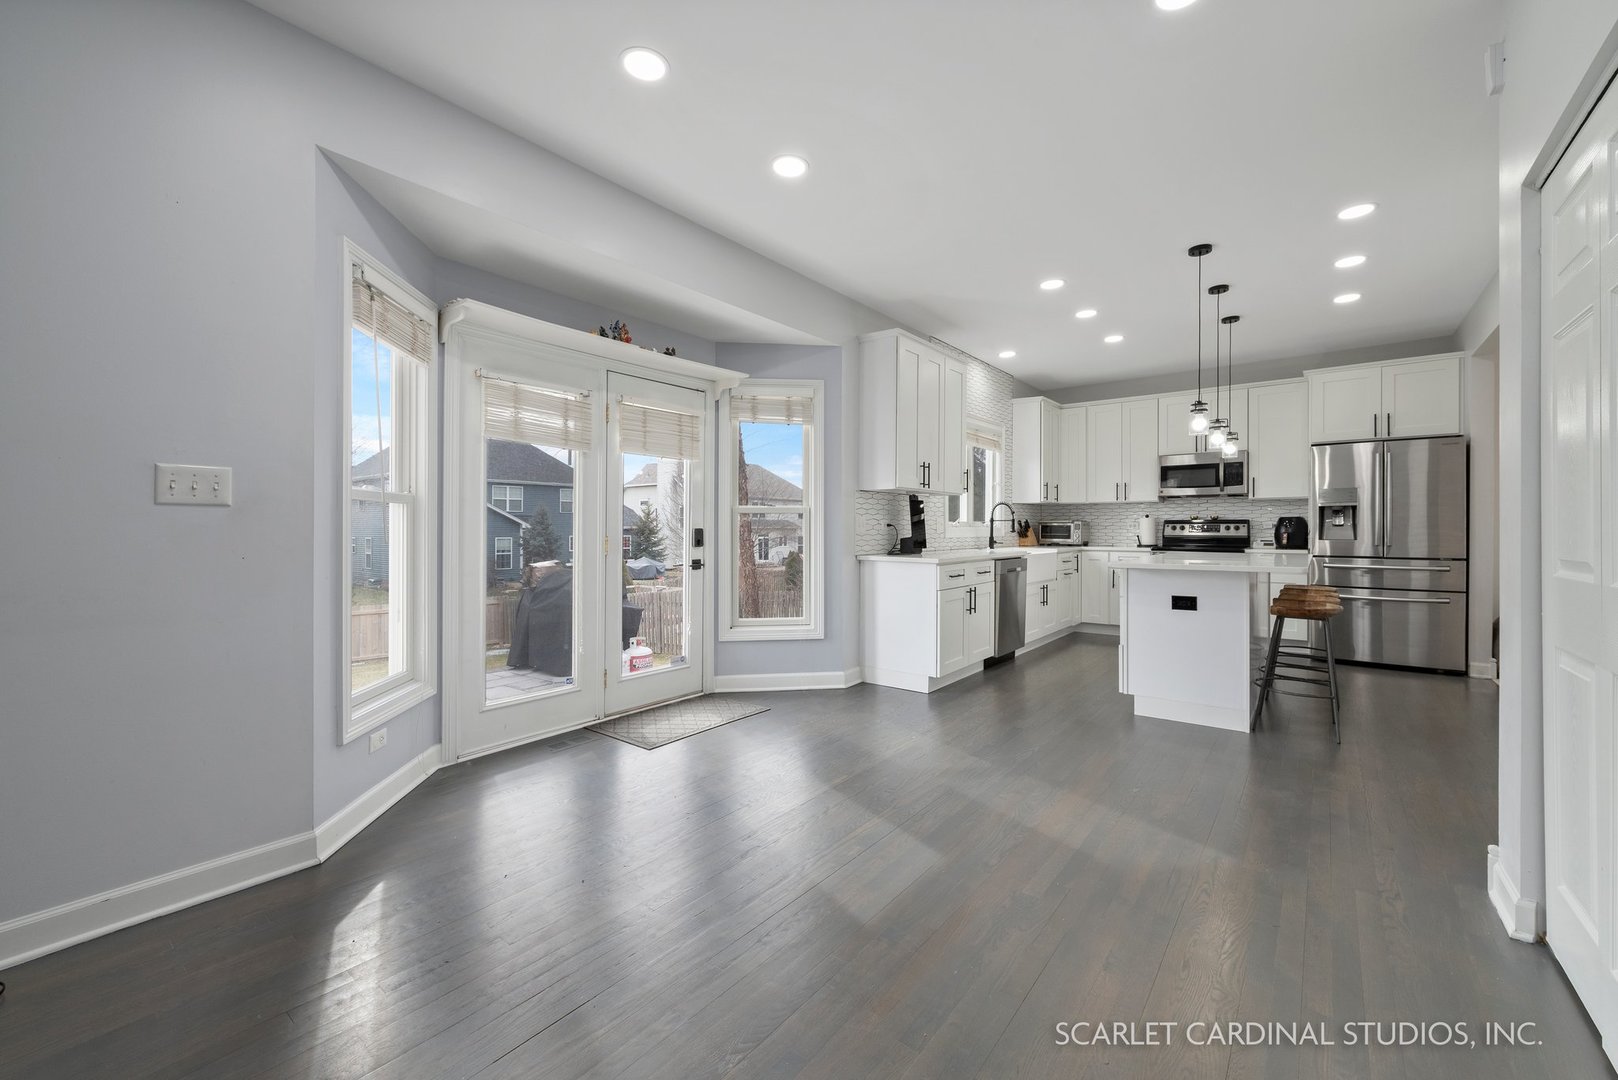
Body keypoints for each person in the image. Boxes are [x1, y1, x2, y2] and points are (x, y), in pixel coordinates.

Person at [507, 561, 572, 676]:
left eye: (542, 570)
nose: (539, 574)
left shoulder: (561, 584)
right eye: (537, 571)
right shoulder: (530, 593)